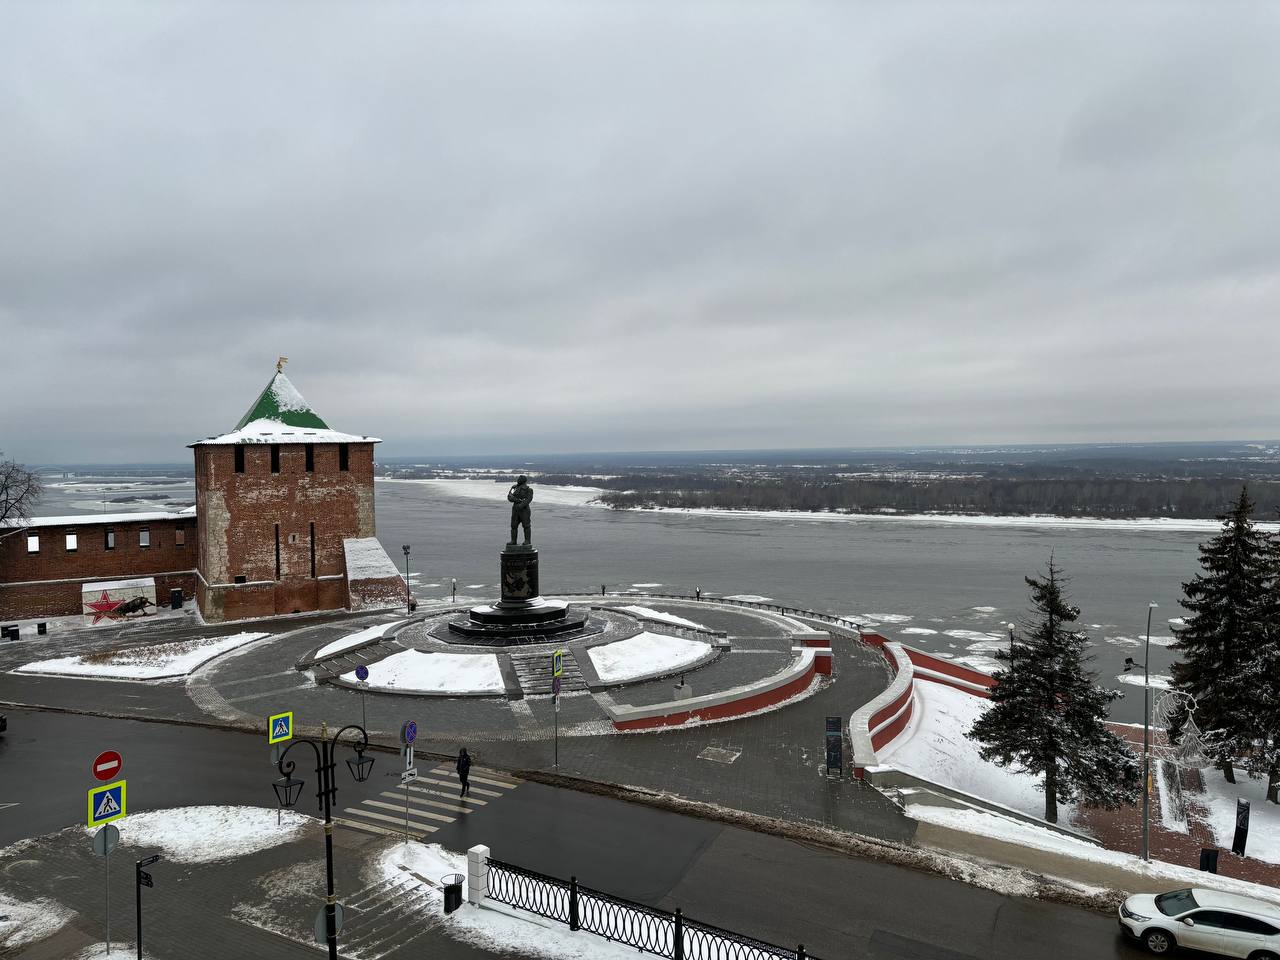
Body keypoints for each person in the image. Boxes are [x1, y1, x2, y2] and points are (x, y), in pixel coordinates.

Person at [507, 476, 533, 545]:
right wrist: (518, 500)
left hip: (524, 510)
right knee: (513, 526)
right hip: (515, 510)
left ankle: (527, 541)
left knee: (526, 526)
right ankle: (513, 541)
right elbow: (509, 497)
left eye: (519, 479)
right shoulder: (514, 488)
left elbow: (528, 500)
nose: (518, 480)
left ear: (523, 480)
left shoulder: (529, 489)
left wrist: (520, 505)